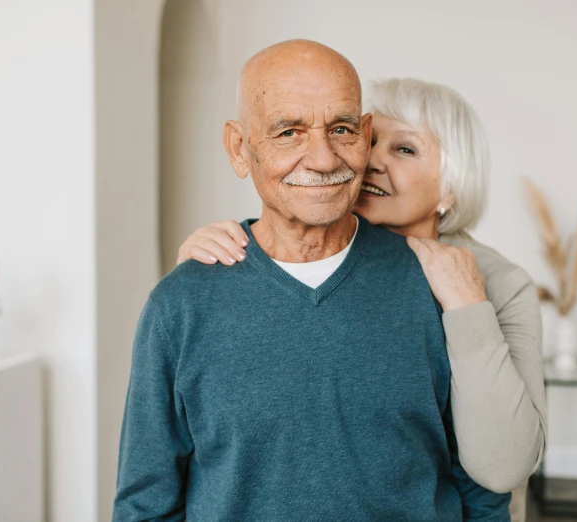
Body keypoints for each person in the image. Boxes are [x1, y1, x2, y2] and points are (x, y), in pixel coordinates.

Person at [114, 40, 511, 521]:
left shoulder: (439, 288)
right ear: (241, 149)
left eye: (342, 129)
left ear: (364, 139)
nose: (323, 159)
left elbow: (483, 492)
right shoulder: (179, 305)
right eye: (289, 132)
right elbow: (145, 504)